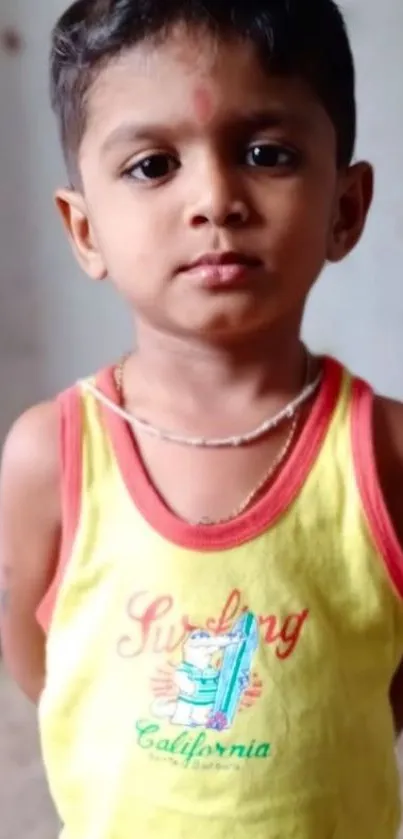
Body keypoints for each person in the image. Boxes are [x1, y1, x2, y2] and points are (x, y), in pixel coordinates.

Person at [1, 0, 403, 836]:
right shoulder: (51, 453)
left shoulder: (383, 453)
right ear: (84, 228)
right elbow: (47, 667)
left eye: (266, 154)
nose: (215, 199)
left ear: (346, 205)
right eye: (151, 166)